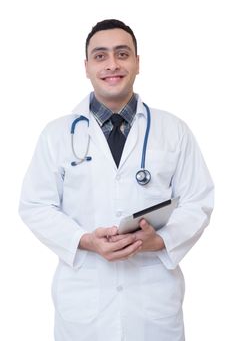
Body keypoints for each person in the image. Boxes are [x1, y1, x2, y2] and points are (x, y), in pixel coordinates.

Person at [19, 19, 214, 341]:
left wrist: (161, 241)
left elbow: (198, 201)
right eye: (100, 56)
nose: (112, 64)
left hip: (152, 300)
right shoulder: (56, 134)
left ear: (137, 62)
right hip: (84, 298)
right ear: (86, 67)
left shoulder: (173, 129)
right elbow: (35, 205)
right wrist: (85, 241)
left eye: (122, 54)